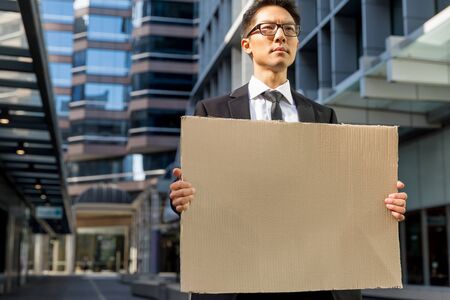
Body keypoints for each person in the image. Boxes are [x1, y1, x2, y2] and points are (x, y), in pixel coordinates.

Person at [169, 1, 408, 299]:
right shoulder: (212, 111)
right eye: (267, 29)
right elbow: (200, 199)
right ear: (246, 44)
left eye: (289, 29)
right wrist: (181, 199)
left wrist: (381, 204)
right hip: (239, 277)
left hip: (311, 280)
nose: (280, 36)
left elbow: (338, 196)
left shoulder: (324, 116)